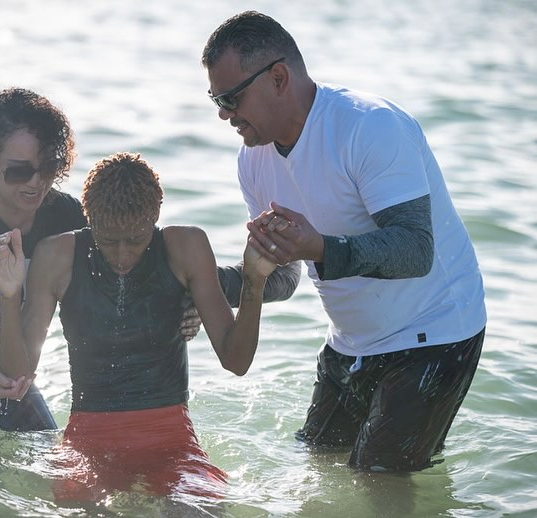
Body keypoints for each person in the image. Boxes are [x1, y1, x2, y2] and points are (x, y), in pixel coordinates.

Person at [0, 87, 297, 439]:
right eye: (20, 172)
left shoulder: (66, 221)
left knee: (41, 449)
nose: (37, 183)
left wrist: (187, 305)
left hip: (7, 373)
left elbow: (140, 263)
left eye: (50, 168)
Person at [202, 11, 486, 472]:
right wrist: (202, 287)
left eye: (232, 97)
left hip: (437, 332)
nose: (223, 113)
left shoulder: (368, 126)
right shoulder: (252, 161)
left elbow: (416, 249)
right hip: (351, 343)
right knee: (319, 470)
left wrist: (321, 248)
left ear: (278, 78)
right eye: (215, 98)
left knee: (376, 478)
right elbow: (284, 278)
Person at [0, 152, 281, 502]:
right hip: (87, 441)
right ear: (90, 219)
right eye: (109, 241)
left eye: (136, 240)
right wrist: (8, 294)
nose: (123, 255)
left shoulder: (186, 246)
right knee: (79, 505)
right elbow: (17, 374)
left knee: (195, 509)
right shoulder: (57, 256)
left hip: (172, 437)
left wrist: (254, 281)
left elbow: (237, 361)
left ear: (155, 217)